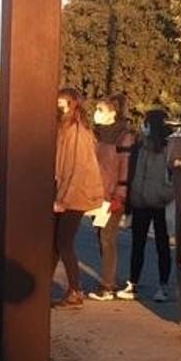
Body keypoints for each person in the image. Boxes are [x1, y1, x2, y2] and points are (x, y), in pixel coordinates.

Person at [52, 87, 106, 309]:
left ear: (71, 103)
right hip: (67, 193)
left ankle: (75, 290)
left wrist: (62, 199)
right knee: (57, 243)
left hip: (74, 194)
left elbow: (76, 169)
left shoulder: (76, 131)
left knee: (63, 242)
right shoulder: (67, 128)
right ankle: (66, 289)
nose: (58, 105)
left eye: (62, 102)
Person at [120, 108, 175, 302]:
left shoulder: (169, 148)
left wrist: (165, 195)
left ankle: (163, 285)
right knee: (138, 243)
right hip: (140, 200)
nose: (143, 126)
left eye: (146, 123)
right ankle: (133, 282)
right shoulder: (140, 146)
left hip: (159, 202)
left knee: (162, 244)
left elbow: (173, 176)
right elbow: (132, 173)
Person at [87, 94, 136, 300]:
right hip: (96, 195)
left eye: (101, 110)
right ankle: (109, 279)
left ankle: (107, 286)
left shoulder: (124, 136)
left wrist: (120, 195)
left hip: (113, 195)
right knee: (101, 237)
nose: (96, 114)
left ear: (112, 113)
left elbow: (125, 167)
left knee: (108, 239)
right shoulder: (95, 134)